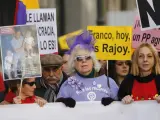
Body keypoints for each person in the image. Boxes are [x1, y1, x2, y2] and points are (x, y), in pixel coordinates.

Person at [56, 31, 119, 107]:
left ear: (93, 61)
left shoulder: (109, 82)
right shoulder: (68, 84)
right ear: (73, 63)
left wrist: (113, 102)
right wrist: (63, 102)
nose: (84, 61)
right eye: (79, 58)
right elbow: (58, 108)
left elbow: (121, 108)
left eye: (88, 57)